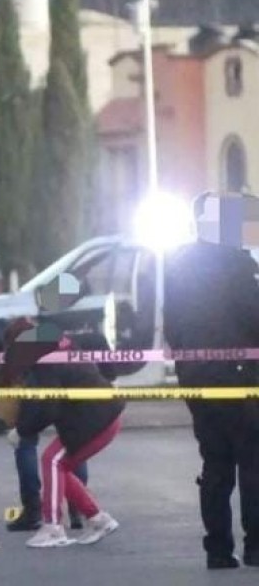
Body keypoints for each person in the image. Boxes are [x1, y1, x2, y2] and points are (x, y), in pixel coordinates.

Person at [164, 191, 259, 569]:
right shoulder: (237, 264)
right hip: (241, 378)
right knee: (252, 462)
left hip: (197, 379)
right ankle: (256, 546)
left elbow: (171, 325)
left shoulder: (178, 263)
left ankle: (217, 550)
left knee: (215, 464)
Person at [0, 311, 124, 548]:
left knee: (52, 461)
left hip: (94, 419)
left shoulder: (45, 361)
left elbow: (46, 406)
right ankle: (97, 519)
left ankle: (53, 527)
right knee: (60, 465)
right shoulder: (55, 343)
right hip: (101, 414)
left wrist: (22, 430)